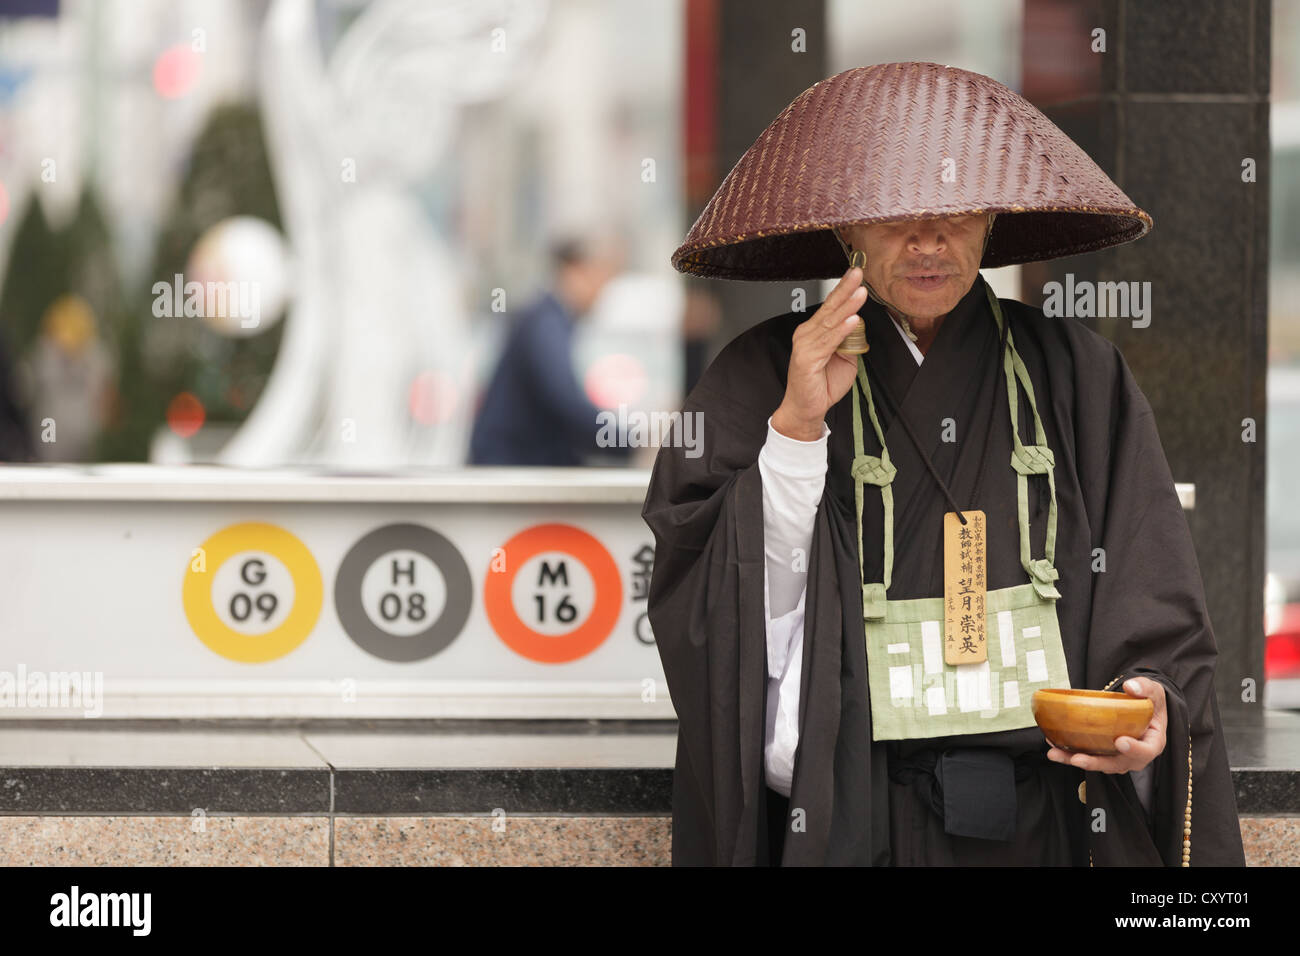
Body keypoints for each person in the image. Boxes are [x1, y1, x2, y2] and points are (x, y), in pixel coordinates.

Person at [642, 62, 1245, 866]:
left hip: (1049, 814)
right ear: (847, 226)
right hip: (854, 809)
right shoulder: (761, 375)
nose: (929, 241)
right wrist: (793, 431)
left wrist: (1149, 701)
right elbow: (706, 596)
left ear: (992, 220)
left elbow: (1152, 583)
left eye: (955, 213)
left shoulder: (1077, 374)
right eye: (896, 215)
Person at [469, 234, 631, 466]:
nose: (602, 293)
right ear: (575, 271)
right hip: (510, 467)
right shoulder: (546, 324)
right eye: (600, 278)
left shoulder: (549, 320)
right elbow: (566, 404)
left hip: (516, 464)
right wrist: (630, 442)